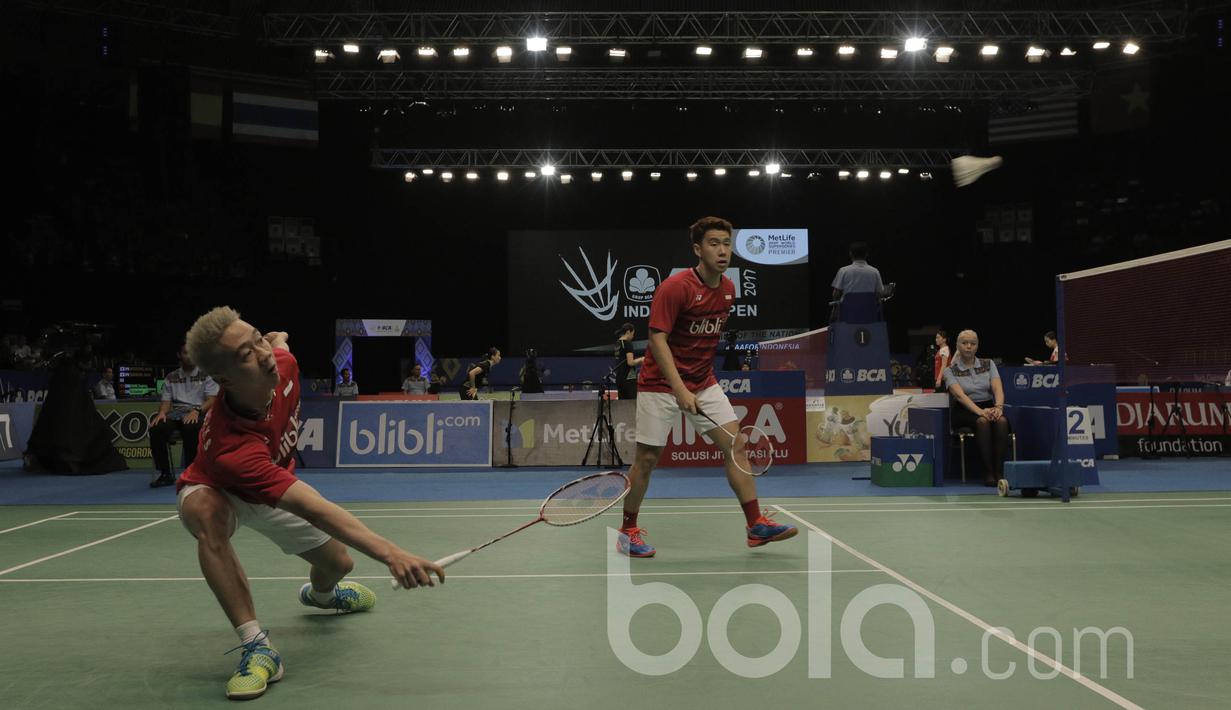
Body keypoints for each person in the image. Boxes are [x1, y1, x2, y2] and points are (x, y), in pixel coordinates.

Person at [177, 306, 444, 700]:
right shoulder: (232, 448)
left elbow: (277, 343)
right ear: (224, 380)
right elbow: (313, 507)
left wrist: (275, 339)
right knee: (207, 515)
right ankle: (256, 646)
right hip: (218, 490)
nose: (262, 354)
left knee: (339, 564)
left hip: (272, 481)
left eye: (255, 339)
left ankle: (322, 596)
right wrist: (392, 554)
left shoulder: (282, 362)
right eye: (245, 354)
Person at [617, 216, 797, 558]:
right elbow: (657, 339)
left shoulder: (728, 289)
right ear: (698, 250)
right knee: (648, 459)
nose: (722, 250)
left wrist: (695, 386)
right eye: (714, 243)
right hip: (660, 385)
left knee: (736, 446)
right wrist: (679, 389)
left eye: (726, 243)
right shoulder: (676, 287)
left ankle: (755, 525)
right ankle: (627, 531)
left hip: (703, 382)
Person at [943, 329, 1010, 487]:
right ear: (958, 346)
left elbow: (997, 389)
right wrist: (980, 412)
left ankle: (999, 472)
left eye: (972, 343)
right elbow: (960, 396)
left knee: (1001, 421)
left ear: (977, 346)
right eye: (964, 343)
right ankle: (987, 472)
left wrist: (998, 407)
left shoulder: (988, 364)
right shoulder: (949, 370)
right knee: (982, 422)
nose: (968, 346)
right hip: (963, 410)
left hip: (988, 405)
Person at [149, 345, 219, 488]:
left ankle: (192, 471)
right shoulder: (171, 377)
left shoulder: (206, 374)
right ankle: (165, 473)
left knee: (191, 426)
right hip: (176, 413)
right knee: (156, 427)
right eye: (186, 353)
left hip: (199, 412)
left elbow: (212, 400)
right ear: (179, 355)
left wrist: (197, 410)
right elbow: (166, 402)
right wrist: (162, 413)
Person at [613, 322, 643, 400]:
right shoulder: (627, 343)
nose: (633, 336)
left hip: (619, 378)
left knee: (623, 404)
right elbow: (630, 362)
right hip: (629, 378)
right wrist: (641, 359)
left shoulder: (617, 343)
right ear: (628, 332)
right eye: (633, 334)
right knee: (632, 403)